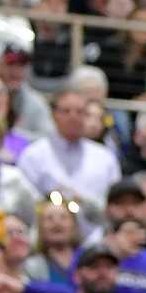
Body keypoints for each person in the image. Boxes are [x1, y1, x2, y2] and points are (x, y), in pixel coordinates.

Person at [17, 91, 120, 228]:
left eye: (80, 112)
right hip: (47, 233)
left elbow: (115, 202)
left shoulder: (105, 157)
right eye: (66, 111)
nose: (73, 117)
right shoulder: (34, 155)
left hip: (96, 234)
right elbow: (26, 202)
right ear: (53, 115)